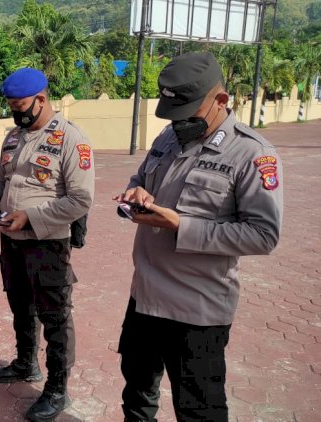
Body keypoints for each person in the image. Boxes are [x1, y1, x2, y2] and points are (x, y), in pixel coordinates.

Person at [114, 51, 283, 422]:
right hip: (145, 297)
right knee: (137, 396)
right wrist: (137, 194)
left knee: (198, 410)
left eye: (188, 113)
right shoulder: (169, 136)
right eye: (172, 114)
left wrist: (181, 225)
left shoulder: (252, 153)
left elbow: (264, 235)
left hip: (197, 310)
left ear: (220, 100)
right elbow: (139, 179)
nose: (178, 123)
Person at [0, 68, 95, 421]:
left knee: (55, 316)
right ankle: (26, 363)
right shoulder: (14, 137)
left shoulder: (72, 139)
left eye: (21, 104)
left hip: (47, 244)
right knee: (20, 306)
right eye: (11, 105)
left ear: (42, 99)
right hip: (11, 240)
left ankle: (57, 388)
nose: (16, 111)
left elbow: (80, 199)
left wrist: (31, 216)